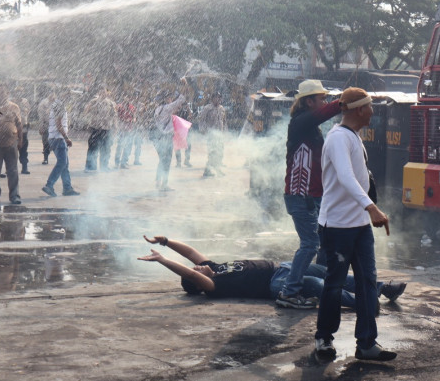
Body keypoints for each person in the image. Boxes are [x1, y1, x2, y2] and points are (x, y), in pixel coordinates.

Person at [314, 87, 396, 361]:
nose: (373, 111)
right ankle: (324, 339)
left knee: (367, 283)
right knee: (334, 285)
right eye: (371, 106)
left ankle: (366, 343)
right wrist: (371, 208)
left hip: (359, 227)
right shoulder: (338, 138)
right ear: (360, 110)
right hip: (337, 226)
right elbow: (346, 177)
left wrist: (367, 211)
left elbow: (360, 179)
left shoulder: (353, 136)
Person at [137, 235, 405, 307]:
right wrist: (162, 260)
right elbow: (191, 272)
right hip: (277, 284)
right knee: (320, 286)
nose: (197, 266)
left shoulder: (216, 267)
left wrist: (165, 242)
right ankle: (365, 304)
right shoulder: (215, 287)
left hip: (283, 267)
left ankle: (381, 289)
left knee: (330, 274)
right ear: (198, 284)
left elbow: (190, 252)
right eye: (195, 272)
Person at [276, 80, 342, 309]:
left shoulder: (311, 127)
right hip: (300, 195)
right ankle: (289, 291)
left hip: (314, 195)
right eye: (321, 98)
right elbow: (325, 112)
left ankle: (322, 284)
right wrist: (343, 102)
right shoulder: (300, 122)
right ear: (308, 101)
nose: (325, 101)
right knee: (310, 243)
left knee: (325, 241)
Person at [0, 83, 23, 205]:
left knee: (12, 171)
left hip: (11, 143)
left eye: (3, 92)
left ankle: (14, 196)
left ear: (8, 93)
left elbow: (19, 124)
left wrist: (20, 140)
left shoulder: (14, 107)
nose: (1, 94)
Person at [42, 88, 80, 197]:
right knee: (62, 163)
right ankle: (49, 185)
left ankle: (67, 188)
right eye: (68, 95)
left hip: (54, 137)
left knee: (65, 164)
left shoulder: (56, 105)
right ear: (63, 95)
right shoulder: (60, 106)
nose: (70, 98)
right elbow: (59, 124)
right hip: (58, 138)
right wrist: (66, 137)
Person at [152, 86, 186, 192]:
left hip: (157, 138)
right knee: (166, 161)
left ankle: (158, 182)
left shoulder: (158, 109)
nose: (171, 99)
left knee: (162, 160)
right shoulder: (166, 108)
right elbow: (181, 99)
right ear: (166, 99)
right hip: (166, 138)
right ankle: (164, 185)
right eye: (170, 98)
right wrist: (184, 85)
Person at [83, 84, 117, 172]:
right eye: (101, 92)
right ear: (99, 92)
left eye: (104, 92)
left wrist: (115, 127)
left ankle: (104, 166)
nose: (103, 93)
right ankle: (90, 167)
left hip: (106, 128)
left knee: (106, 148)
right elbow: (86, 111)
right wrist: (88, 122)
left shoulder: (110, 103)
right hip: (96, 128)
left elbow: (114, 116)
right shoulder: (94, 101)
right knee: (93, 147)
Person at [199, 91, 227, 178]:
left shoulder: (222, 108)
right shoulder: (207, 108)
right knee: (213, 153)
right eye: (216, 98)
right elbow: (201, 119)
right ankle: (212, 170)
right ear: (212, 99)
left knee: (220, 153)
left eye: (219, 98)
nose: (218, 99)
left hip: (220, 135)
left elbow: (224, 121)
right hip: (211, 134)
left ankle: (211, 170)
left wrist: (225, 131)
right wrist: (203, 130)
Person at [37, 90, 55, 165]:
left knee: (56, 143)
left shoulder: (58, 103)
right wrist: (41, 126)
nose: (52, 96)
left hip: (55, 126)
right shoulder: (43, 104)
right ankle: (45, 158)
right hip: (46, 125)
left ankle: (60, 159)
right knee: (45, 142)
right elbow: (41, 116)